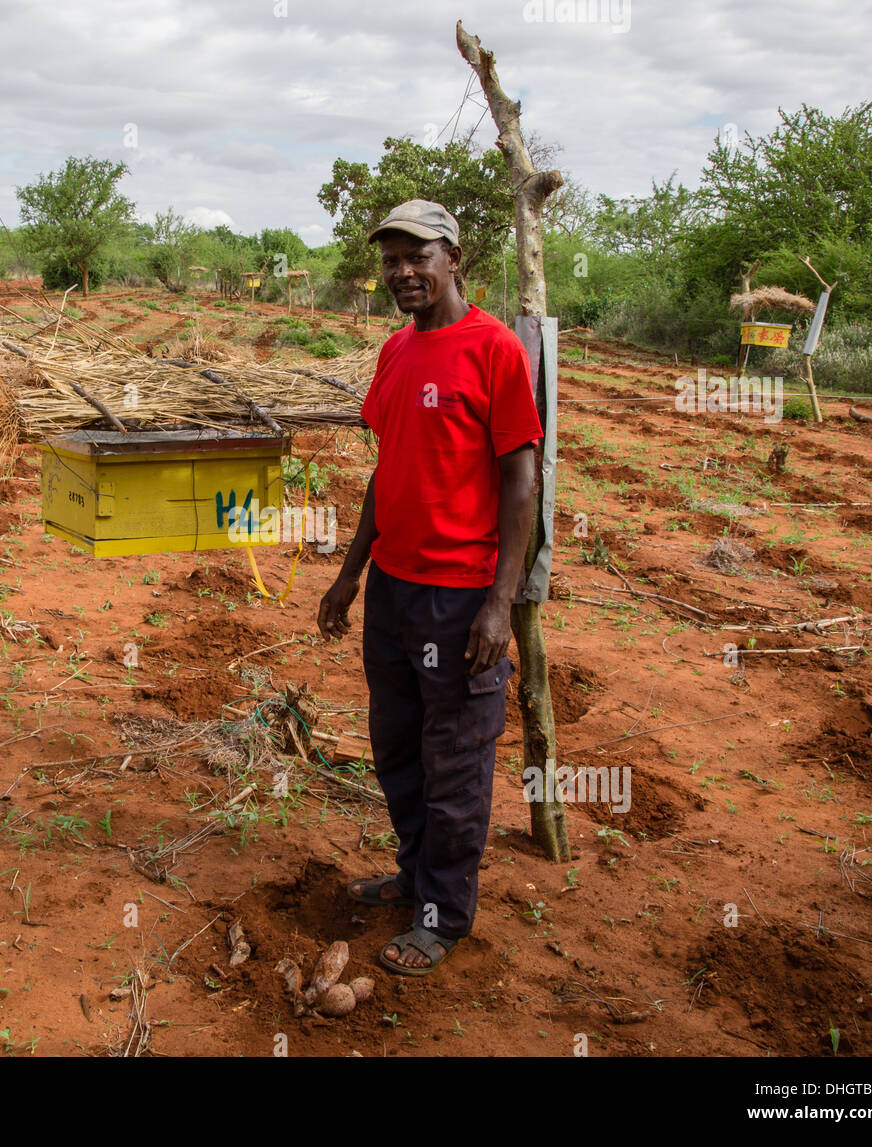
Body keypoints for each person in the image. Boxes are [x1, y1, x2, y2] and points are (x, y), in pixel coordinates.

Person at [317, 199, 542, 976]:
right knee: (398, 749)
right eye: (391, 260)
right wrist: (352, 572)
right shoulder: (394, 354)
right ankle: (416, 879)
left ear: (455, 258)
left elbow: (521, 477)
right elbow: (391, 470)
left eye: (418, 256)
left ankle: (443, 916)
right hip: (395, 591)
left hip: (461, 595)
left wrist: (499, 602)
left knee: (456, 759)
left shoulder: (496, 349)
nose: (403, 271)